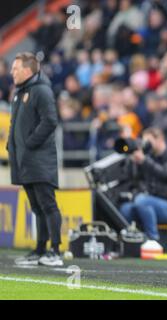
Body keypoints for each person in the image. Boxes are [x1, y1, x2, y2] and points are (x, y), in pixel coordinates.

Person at [8, 52, 63, 267]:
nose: (12, 72)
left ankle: (55, 252)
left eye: (16, 68)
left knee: (48, 205)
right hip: (25, 160)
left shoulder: (41, 90)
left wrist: (29, 143)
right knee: (37, 207)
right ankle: (40, 249)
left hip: (40, 158)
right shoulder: (20, 92)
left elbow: (50, 121)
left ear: (28, 70)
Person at [119, 128, 167, 242]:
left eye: (148, 141)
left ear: (159, 139)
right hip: (150, 203)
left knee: (141, 200)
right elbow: (134, 179)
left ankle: (153, 240)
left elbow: (165, 174)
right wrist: (133, 162)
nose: (146, 145)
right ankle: (131, 242)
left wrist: (144, 160)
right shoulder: (149, 157)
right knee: (125, 209)